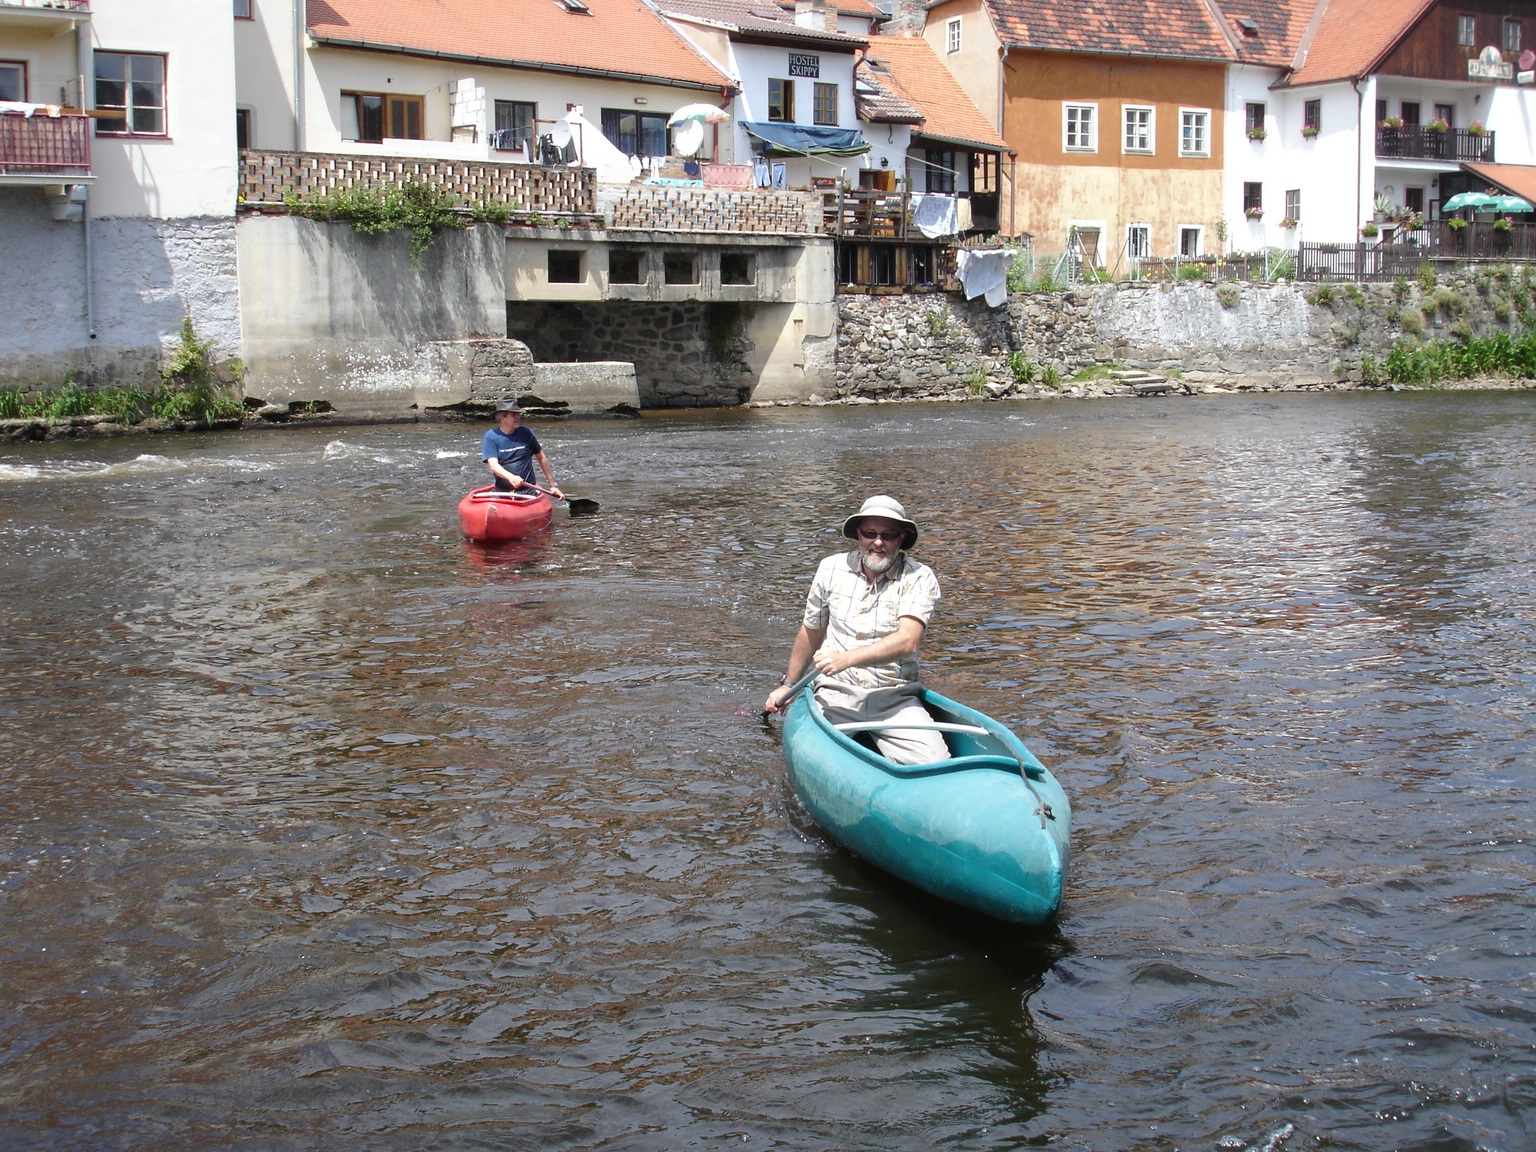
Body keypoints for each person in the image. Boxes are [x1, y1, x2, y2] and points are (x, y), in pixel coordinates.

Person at [763, 495, 947, 765]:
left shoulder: (919, 577)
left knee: (935, 764)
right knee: (816, 760)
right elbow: (812, 630)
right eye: (870, 534)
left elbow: (907, 640)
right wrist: (788, 685)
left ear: (902, 538)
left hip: (895, 698)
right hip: (834, 692)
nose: (878, 542)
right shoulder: (830, 568)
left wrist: (846, 659)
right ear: (859, 535)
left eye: (888, 535)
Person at [481, 399, 564, 499]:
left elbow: (541, 458)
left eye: (518, 414)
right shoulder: (491, 437)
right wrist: (511, 477)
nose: (518, 417)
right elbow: (493, 465)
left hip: (528, 491)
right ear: (502, 418)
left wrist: (552, 485)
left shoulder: (526, 433)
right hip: (502, 492)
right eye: (513, 415)